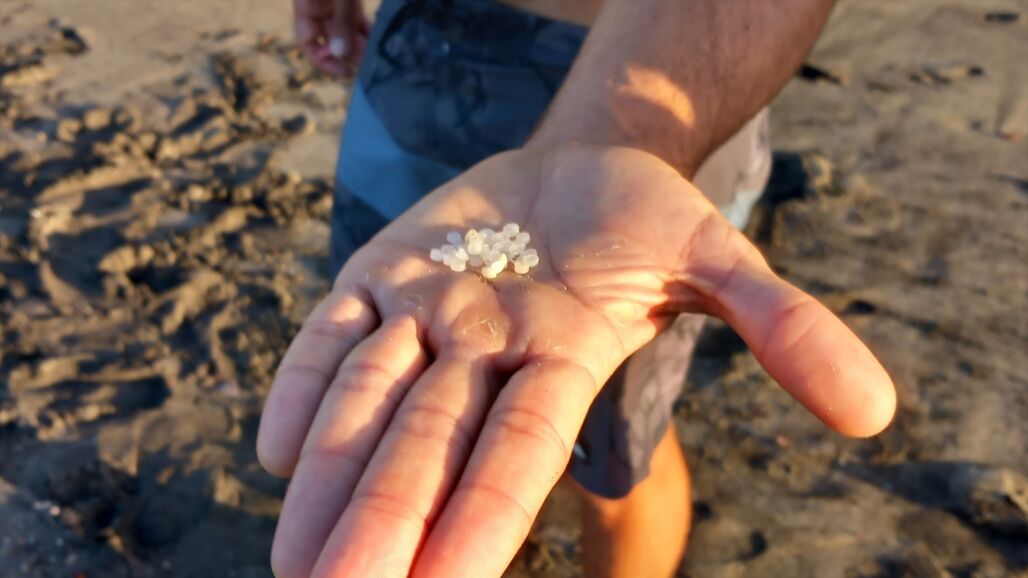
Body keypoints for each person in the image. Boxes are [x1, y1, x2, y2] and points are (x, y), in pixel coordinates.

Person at [256, 0, 897, 577]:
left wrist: (621, 135)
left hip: (658, 66)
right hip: (418, 46)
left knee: (611, 450)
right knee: (409, 365)